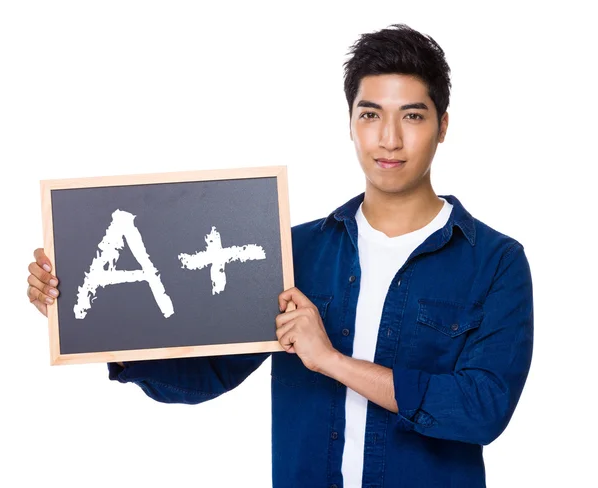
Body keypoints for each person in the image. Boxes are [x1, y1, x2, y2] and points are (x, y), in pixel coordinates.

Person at [26, 23, 534, 488]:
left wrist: (330, 361)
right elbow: (208, 374)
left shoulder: (495, 262)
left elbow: (480, 411)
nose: (389, 139)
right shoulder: (295, 250)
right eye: (371, 114)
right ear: (351, 123)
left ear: (443, 126)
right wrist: (88, 322)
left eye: (413, 116)